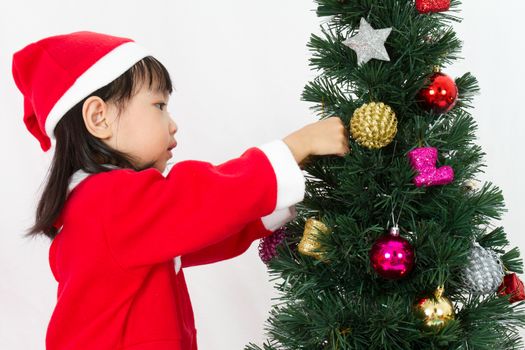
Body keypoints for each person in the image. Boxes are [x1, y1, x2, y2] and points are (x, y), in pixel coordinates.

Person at [12, 31, 350, 350]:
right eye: (158, 105)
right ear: (99, 117)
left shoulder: (108, 211)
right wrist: (292, 148)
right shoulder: (107, 201)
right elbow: (199, 199)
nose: (172, 123)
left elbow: (204, 230)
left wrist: (281, 184)